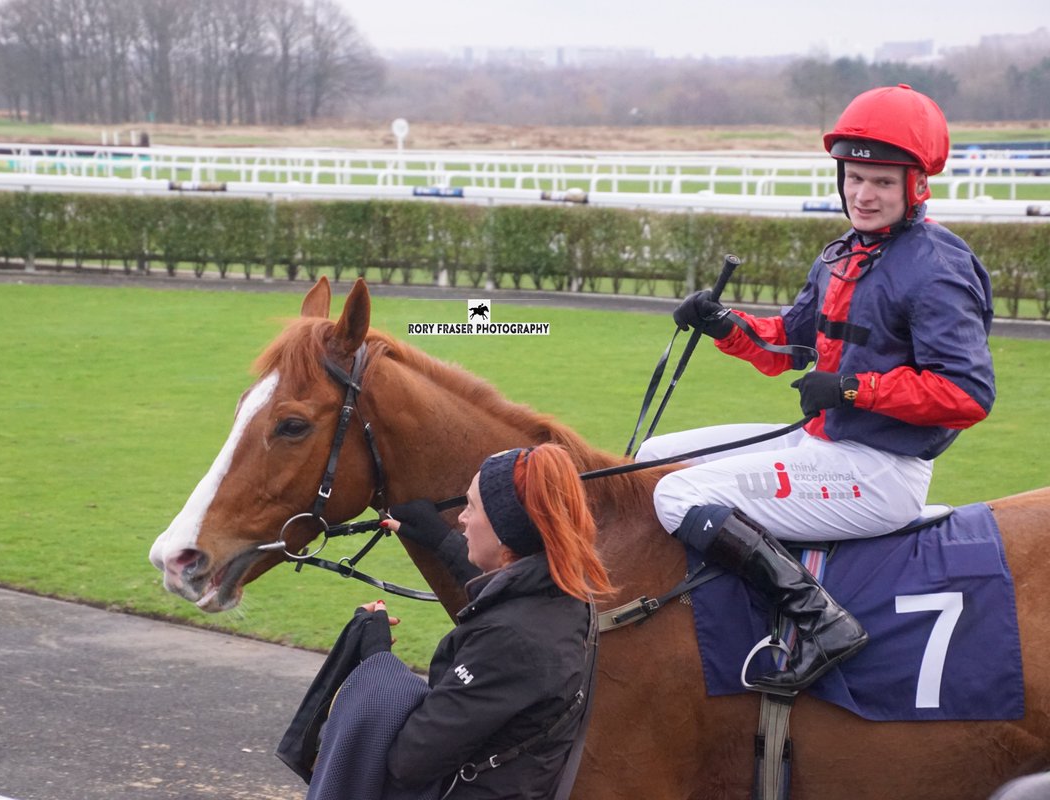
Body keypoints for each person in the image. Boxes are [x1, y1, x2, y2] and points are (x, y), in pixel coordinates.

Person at [639, 84, 995, 694]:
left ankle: (822, 621)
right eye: (854, 177)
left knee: (676, 497)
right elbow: (792, 346)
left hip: (882, 471)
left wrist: (856, 389)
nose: (863, 193)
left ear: (916, 185)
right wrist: (728, 325)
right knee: (652, 462)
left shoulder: (938, 268)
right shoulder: (841, 255)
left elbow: (966, 394)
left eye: (882, 181)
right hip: (823, 446)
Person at [358, 443, 614, 799]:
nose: (461, 518)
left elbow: (409, 759)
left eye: (473, 507)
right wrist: (442, 541)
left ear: (506, 533)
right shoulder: (568, 595)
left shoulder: (510, 640)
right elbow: (511, 589)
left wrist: (375, 660)